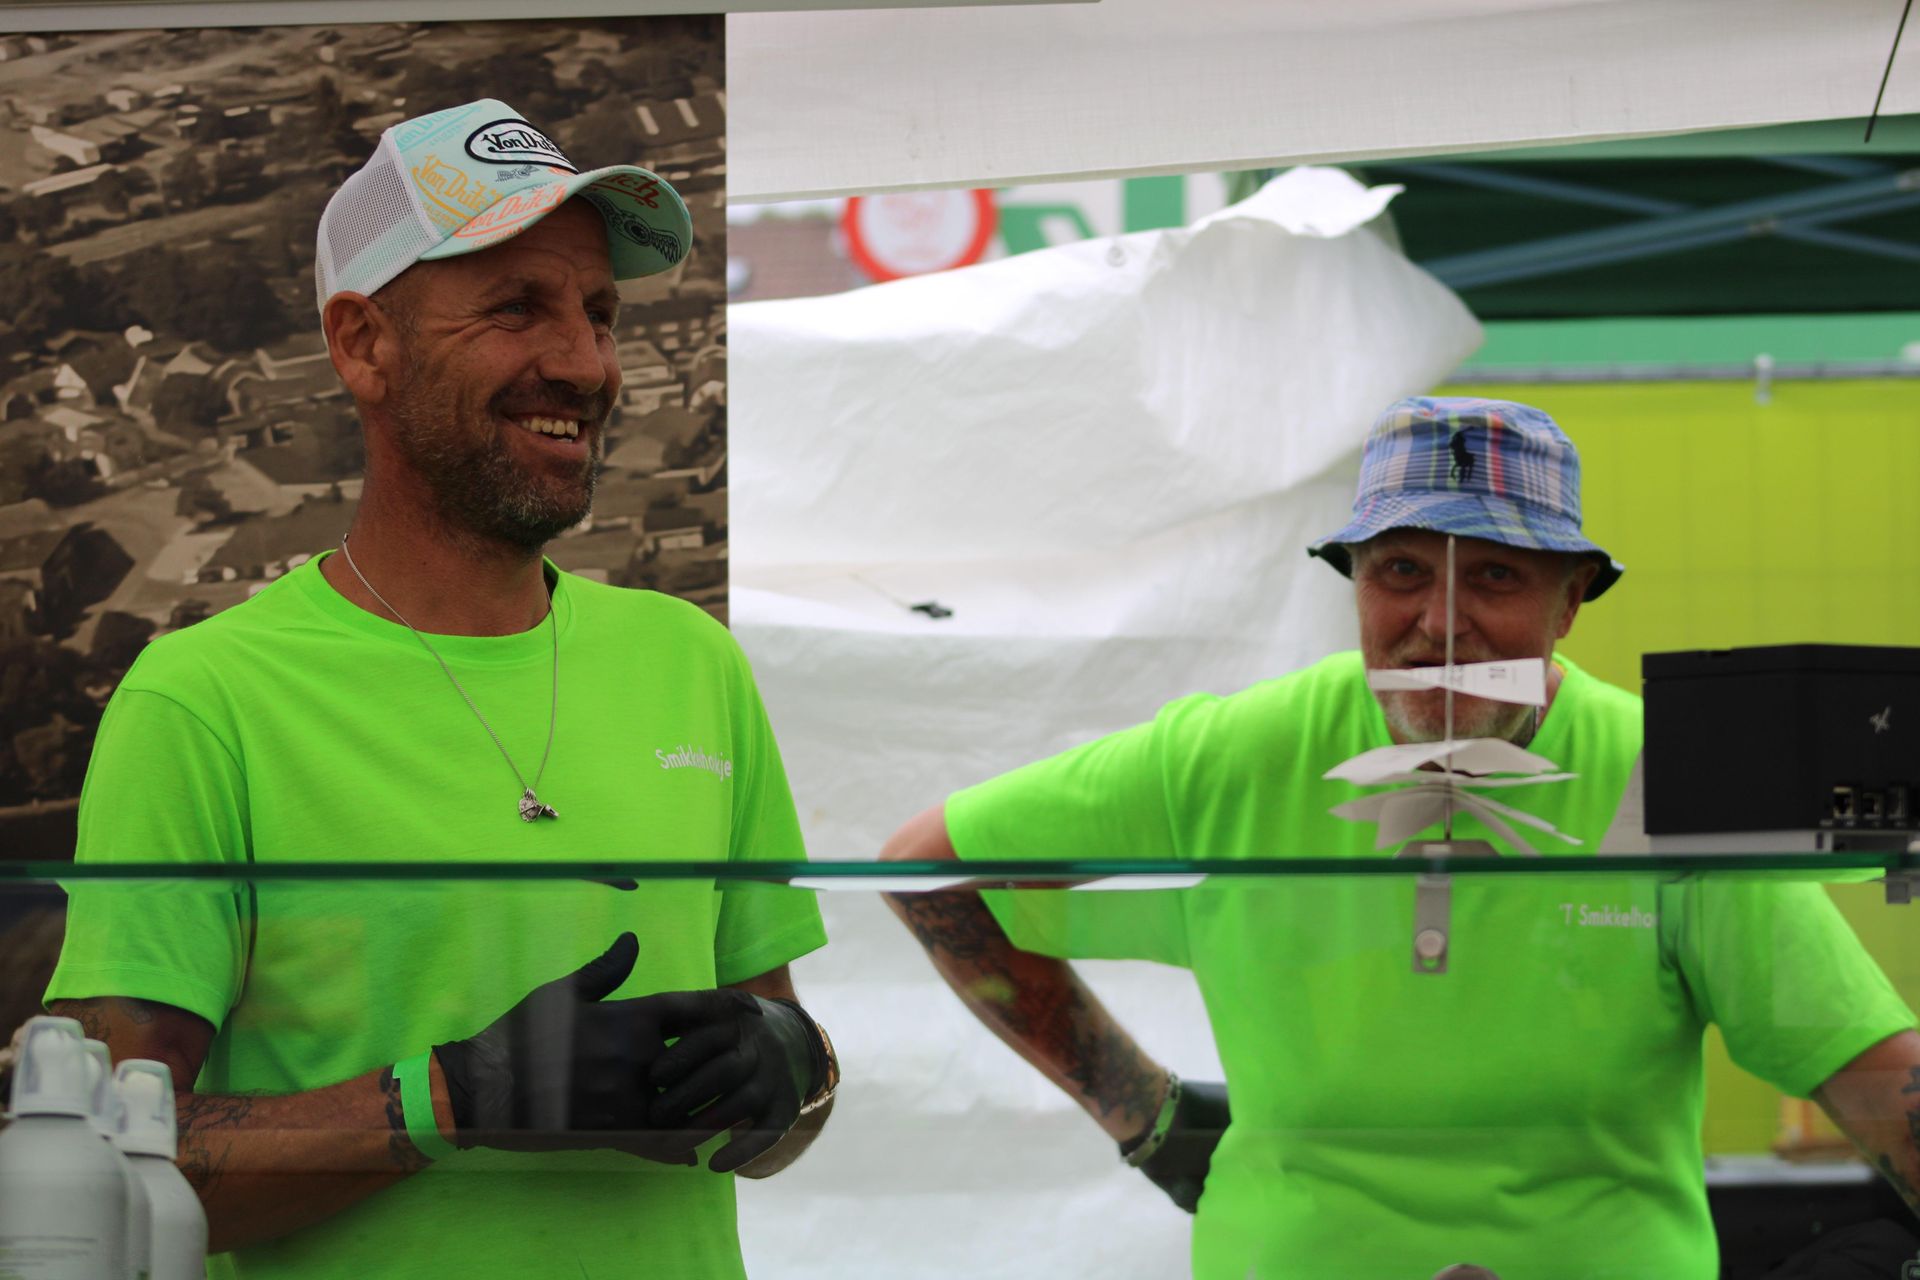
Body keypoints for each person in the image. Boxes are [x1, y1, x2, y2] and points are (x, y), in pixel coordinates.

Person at [45, 99, 835, 1280]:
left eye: (600, 312)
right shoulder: (203, 699)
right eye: (517, 307)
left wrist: (792, 1067)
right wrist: (450, 1097)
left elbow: (786, 1106)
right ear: (365, 344)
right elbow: (102, 1172)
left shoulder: (692, 661)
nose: (584, 363)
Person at [881, 397, 1920, 1279]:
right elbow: (928, 865)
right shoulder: (1233, 752)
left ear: (1571, 600)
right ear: (1356, 581)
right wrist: (1144, 1113)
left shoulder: (1671, 773)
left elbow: (1866, 1064)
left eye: (1497, 576)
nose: (1441, 621)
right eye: (1403, 570)